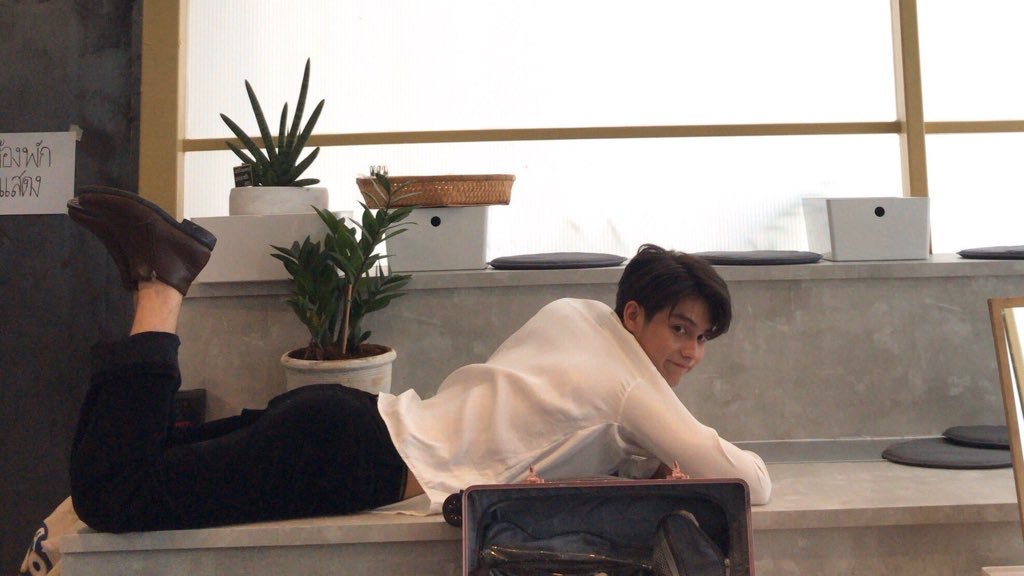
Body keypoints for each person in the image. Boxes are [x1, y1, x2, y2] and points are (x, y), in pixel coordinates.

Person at [67, 186, 771, 534]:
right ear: (635, 316)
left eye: (703, 338)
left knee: (135, 465)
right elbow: (750, 481)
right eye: (680, 329)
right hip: (355, 460)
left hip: (347, 419)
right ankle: (159, 281)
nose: (690, 352)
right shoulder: (626, 385)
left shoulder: (574, 315)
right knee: (117, 494)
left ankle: (146, 272)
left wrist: (641, 463)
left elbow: (557, 433)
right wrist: (667, 446)